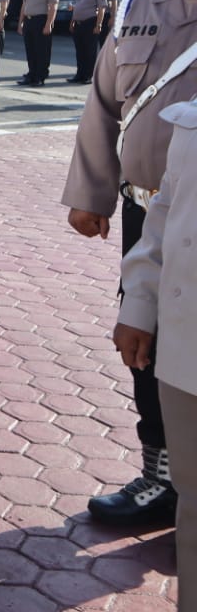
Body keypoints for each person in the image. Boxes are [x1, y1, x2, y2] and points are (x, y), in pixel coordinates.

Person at [62, 0, 197, 527]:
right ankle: (160, 476)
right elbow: (104, 103)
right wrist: (92, 193)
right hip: (146, 210)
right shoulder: (139, 5)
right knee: (143, 340)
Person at [114, 95, 197, 612]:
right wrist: (139, 306)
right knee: (192, 508)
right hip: (186, 348)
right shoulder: (192, 116)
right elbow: (164, 215)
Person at [18, 0, 57, 85]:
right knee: (30, 49)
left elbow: (53, 6)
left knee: (42, 50)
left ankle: (40, 76)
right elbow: (24, 4)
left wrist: (49, 24)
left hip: (41, 20)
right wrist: (21, 22)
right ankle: (32, 73)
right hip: (29, 20)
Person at [67, 0, 106, 84]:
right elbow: (76, 7)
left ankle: (88, 75)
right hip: (78, 23)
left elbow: (102, 8)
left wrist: (98, 25)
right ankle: (80, 74)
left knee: (90, 51)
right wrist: (72, 21)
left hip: (90, 22)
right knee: (80, 50)